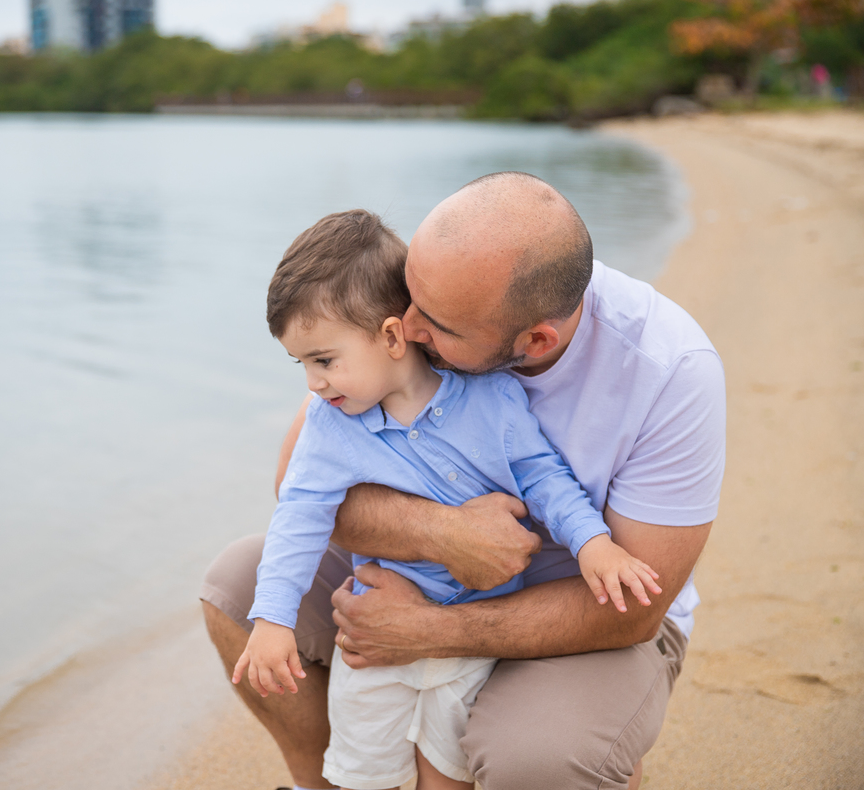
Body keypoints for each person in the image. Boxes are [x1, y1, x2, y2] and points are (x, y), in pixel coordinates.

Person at [201, 172, 725, 790]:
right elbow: (298, 486)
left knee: (538, 760)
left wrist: (429, 632)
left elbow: (632, 609)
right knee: (238, 586)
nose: (408, 328)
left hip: (585, 618)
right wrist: (444, 535)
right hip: (412, 574)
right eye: (409, 299)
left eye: (438, 326)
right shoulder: (434, 290)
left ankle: (586, 734)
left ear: (534, 342)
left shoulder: (669, 373)